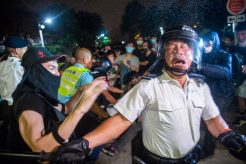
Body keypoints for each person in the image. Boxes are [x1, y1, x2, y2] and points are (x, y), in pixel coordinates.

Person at [80, 25, 246, 163]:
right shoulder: (149, 86)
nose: (179, 51)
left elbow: (212, 118)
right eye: (172, 47)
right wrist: (85, 143)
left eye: (185, 47)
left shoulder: (201, 86)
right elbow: (121, 121)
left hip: (189, 158)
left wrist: (226, 134)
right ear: (162, 54)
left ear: (195, 54)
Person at [7, 46, 108, 162]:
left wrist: (82, 91)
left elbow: (65, 108)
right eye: (51, 68)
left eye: (56, 68)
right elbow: (40, 149)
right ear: (36, 71)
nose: (58, 74)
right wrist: (81, 109)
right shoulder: (29, 102)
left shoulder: (42, 93)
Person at [198, 31, 234, 159]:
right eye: (203, 43)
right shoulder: (202, 55)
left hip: (222, 93)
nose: (205, 46)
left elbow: (225, 73)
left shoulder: (224, 55)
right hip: (208, 93)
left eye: (208, 43)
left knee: (212, 120)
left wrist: (202, 66)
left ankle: (208, 151)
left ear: (214, 42)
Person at [0, 36, 28, 122]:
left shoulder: (2, 64)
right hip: (15, 107)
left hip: (3, 105)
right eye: (25, 49)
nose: (26, 52)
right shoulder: (21, 66)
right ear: (17, 50)